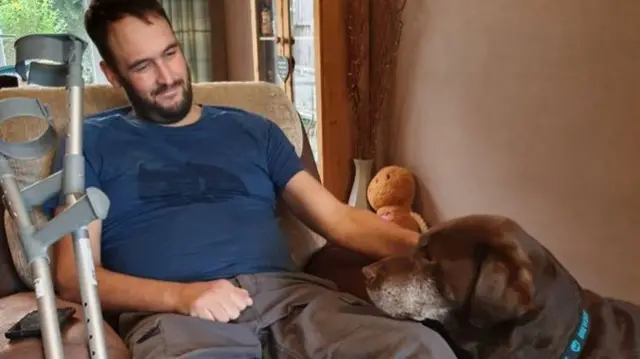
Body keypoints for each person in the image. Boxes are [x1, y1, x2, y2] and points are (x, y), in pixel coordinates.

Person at [42, 1, 457, 358]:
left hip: (295, 302)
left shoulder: (254, 130)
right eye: (143, 66)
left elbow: (338, 219)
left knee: (423, 348)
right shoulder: (88, 142)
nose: (167, 76)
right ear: (111, 74)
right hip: (180, 319)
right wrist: (181, 297)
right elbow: (73, 275)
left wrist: (442, 251)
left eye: (170, 53)